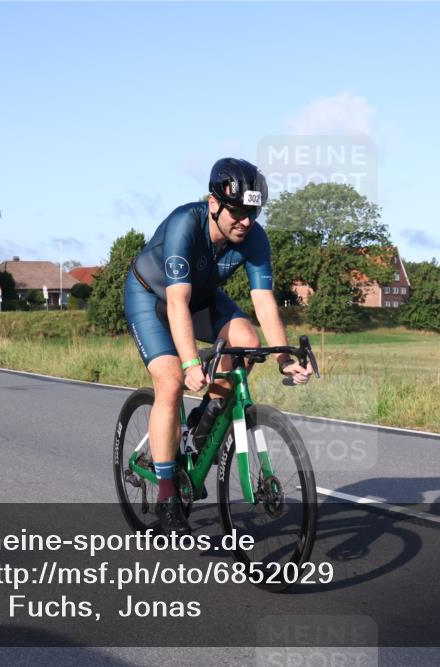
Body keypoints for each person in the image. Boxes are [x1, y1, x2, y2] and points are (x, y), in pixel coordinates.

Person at [124, 157, 312, 534]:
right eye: (238, 212)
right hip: (151, 297)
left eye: (253, 213)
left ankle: (208, 414)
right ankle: (165, 496)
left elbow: (264, 300)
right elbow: (175, 302)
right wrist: (192, 362)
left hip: (201, 299)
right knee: (172, 381)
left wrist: (283, 357)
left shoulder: (255, 238)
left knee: (246, 341)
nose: (245, 221)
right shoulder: (185, 225)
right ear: (214, 204)